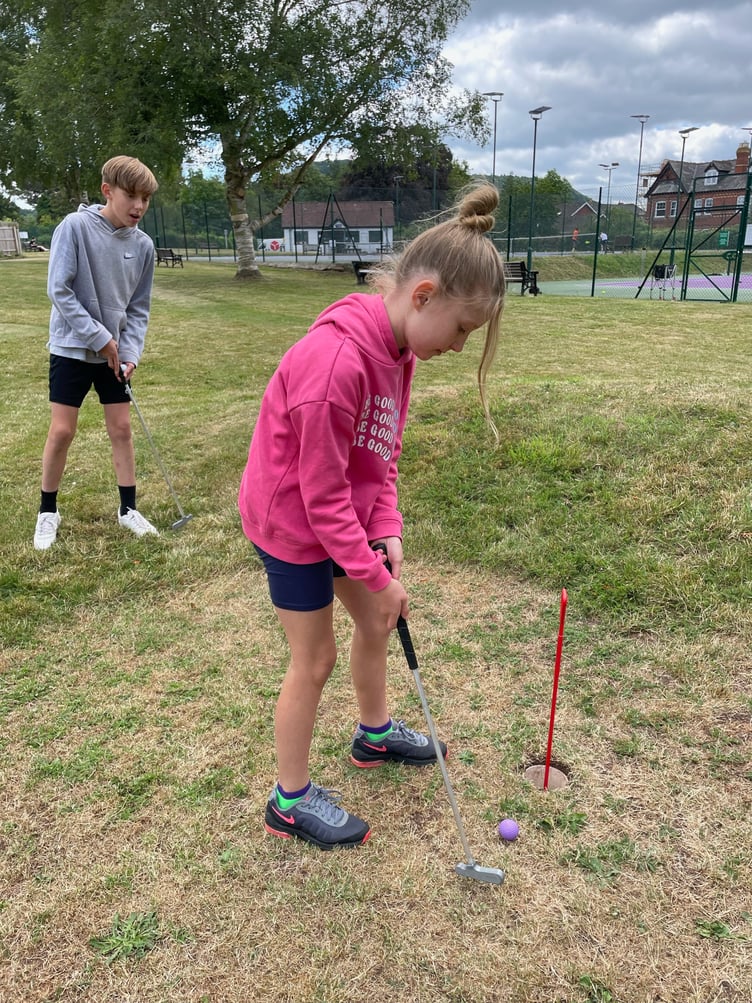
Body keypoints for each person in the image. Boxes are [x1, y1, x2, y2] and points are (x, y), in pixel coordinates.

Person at [238, 182, 506, 850]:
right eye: (463, 329)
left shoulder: (399, 352)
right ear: (424, 296)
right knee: (315, 658)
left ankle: (374, 734)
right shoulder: (336, 365)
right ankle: (289, 799)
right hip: (292, 524)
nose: (460, 346)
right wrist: (374, 572)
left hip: (339, 518)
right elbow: (321, 498)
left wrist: (385, 526)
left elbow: (383, 454)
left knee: (376, 620)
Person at [33, 155, 160, 551]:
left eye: (145, 199)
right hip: (72, 348)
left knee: (121, 429)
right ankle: (47, 511)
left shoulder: (144, 246)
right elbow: (59, 290)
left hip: (115, 355)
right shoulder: (74, 227)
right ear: (108, 191)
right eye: (131, 196)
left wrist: (130, 352)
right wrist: (99, 338)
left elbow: (138, 308)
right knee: (62, 430)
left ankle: (128, 509)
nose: (139, 206)